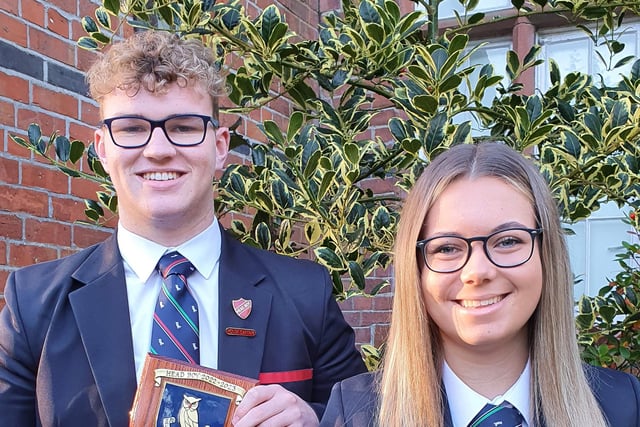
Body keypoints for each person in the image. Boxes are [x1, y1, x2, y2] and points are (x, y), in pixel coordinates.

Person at [0, 30, 366, 426]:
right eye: (131, 128)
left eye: (185, 126)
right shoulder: (33, 304)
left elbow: (372, 414)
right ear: (103, 148)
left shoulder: (305, 294)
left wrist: (315, 420)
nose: (158, 149)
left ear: (220, 146)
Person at [320, 142, 640, 426]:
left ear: (547, 254)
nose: (477, 271)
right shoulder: (356, 415)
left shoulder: (625, 407)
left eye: (507, 241)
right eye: (446, 247)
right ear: (415, 268)